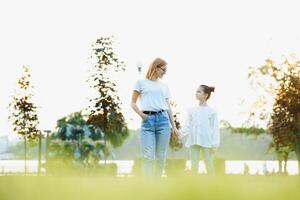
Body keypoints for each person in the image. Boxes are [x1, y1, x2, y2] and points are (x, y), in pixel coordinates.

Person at [130, 57, 179, 177]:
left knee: (161, 156)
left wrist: (174, 126)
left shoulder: (164, 86)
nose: (165, 72)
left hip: (163, 121)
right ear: (156, 67)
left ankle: (157, 183)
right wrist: (141, 115)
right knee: (148, 156)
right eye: (163, 69)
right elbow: (132, 103)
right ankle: (148, 185)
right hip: (148, 122)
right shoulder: (140, 82)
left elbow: (168, 107)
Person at [181, 85, 220, 174]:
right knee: (194, 165)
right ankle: (194, 185)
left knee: (208, 162)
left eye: (199, 92)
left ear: (206, 95)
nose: (196, 93)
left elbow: (215, 129)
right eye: (196, 91)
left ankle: (213, 184)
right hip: (193, 140)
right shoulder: (191, 110)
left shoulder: (212, 111)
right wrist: (179, 133)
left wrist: (214, 144)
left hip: (206, 141)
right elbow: (187, 126)